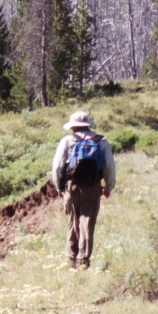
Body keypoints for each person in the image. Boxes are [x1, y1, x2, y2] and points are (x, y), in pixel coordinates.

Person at [50, 111, 115, 269]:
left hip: (71, 187)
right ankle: (83, 262)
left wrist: (59, 187)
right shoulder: (101, 141)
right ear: (87, 125)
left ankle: (72, 259)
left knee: (73, 222)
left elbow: (57, 167)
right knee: (86, 224)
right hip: (92, 187)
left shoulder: (67, 141)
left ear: (73, 126)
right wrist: (108, 187)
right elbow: (109, 167)